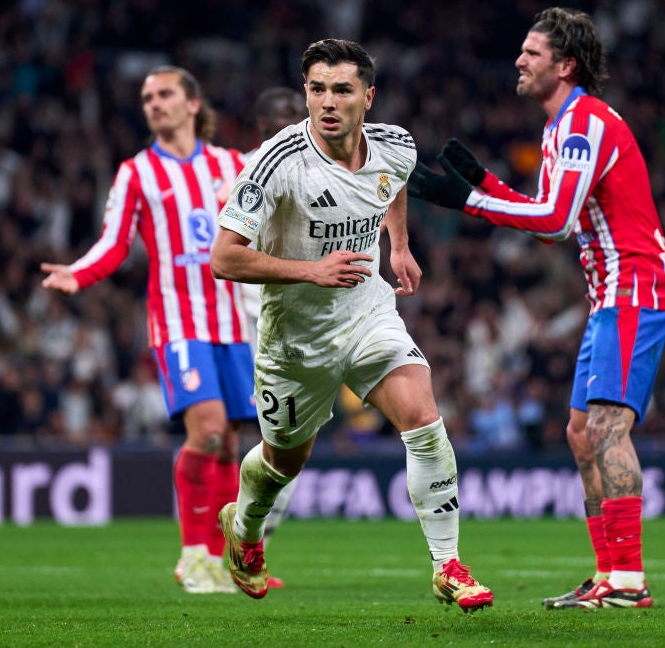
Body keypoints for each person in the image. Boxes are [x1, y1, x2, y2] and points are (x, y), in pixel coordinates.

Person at [406, 8, 665, 609]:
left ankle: (629, 581)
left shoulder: (581, 125)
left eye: (531, 53)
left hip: (635, 288)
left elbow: (555, 222)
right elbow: (552, 209)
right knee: (581, 433)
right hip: (609, 293)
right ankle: (609, 573)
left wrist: (470, 200)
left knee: (608, 427)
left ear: (564, 65)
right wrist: (488, 184)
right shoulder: (562, 127)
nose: (518, 61)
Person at [210, 38, 493, 611]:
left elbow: (391, 185)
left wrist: (400, 245)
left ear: (369, 96)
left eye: (342, 90)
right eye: (317, 90)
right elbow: (223, 257)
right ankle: (244, 528)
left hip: (366, 310)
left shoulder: (396, 145)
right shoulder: (275, 163)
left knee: (422, 414)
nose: (327, 102)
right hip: (295, 338)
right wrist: (310, 270)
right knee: (284, 460)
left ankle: (448, 566)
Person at [40, 66, 254, 595]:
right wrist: (78, 272)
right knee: (204, 431)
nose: (153, 104)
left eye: (163, 95)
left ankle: (225, 557)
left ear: (192, 105)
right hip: (179, 323)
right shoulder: (136, 173)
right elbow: (114, 242)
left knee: (229, 444)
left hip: (235, 323)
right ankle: (193, 554)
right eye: (146, 98)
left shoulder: (234, 165)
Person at [241, 87, 309, 567]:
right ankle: (235, 539)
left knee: (289, 440)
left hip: (304, 324)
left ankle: (254, 534)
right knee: (255, 435)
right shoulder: (244, 170)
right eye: (283, 114)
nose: (294, 120)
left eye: (296, 112)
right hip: (249, 327)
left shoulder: (317, 163)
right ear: (262, 123)